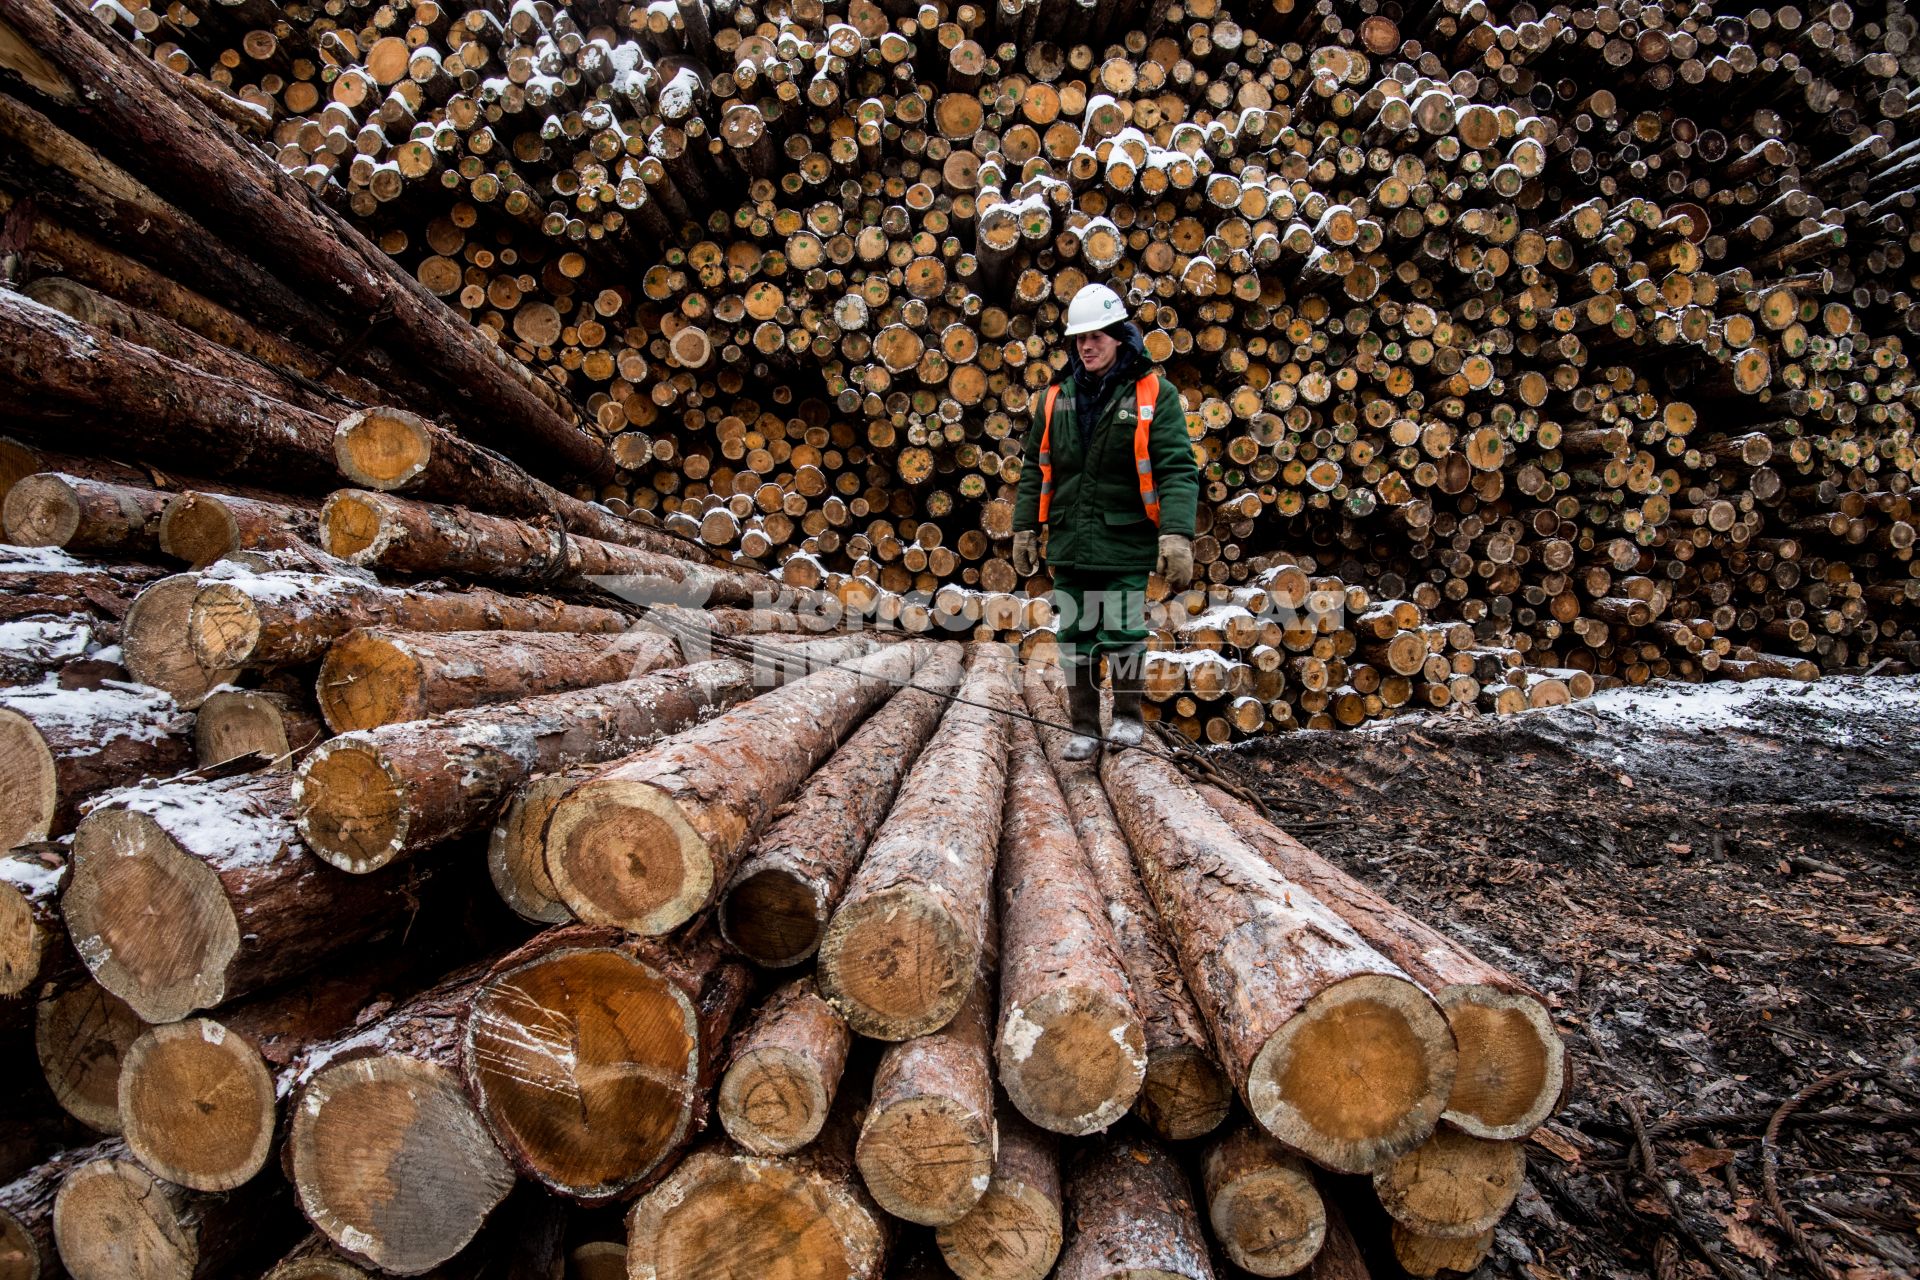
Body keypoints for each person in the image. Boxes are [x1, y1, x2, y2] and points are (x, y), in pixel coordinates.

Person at [1010, 283, 1198, 761]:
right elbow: (1035, 466)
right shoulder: (1057, 396)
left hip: (1124, 538)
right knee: (1074, 636)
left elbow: (1177, 467)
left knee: (1119, 633)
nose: (1087, 346)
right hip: (1071, 539)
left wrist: (1176, 534)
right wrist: (1025, 526)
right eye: (1079, 339)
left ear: (1118, 336)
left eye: (1096, 336)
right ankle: (1085, 727)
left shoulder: (1154, 393)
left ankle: (1129, 719)